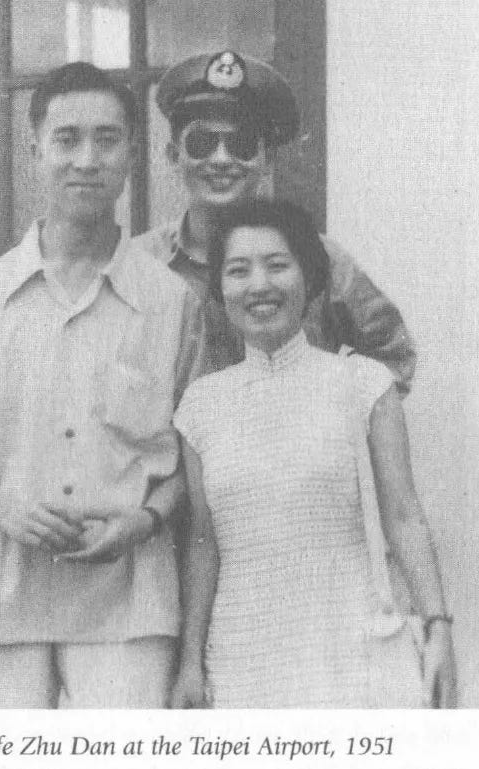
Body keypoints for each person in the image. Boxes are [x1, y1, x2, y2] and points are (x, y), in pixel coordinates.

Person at [0, 62, 205, 708]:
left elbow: (194, 459)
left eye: (107, 139)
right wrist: (4, 510)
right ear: (34, 148)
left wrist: (144, 519)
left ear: (132, 154)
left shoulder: (172, 303)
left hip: (130, 603)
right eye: (67, 139)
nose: (87, 160)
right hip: (3, 600)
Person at [170, 199, 457, 708]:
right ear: (220, 288)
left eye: (278, 264)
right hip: (241, 655)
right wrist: (190, 661)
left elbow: (404, 516)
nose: (259, 285)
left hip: (350, 649)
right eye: (238, 270)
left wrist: (439, 629)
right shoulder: (201, 405)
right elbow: (203, 541)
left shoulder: (363, 383)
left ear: (310, 276)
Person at [132, 49, 416, 387]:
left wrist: (333, 404)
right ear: (173, 155)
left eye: (241, 144)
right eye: (201, 143)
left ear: (267, 160)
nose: (221, 159)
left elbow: (393, 354)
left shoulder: (317, 258)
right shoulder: (138, 265)